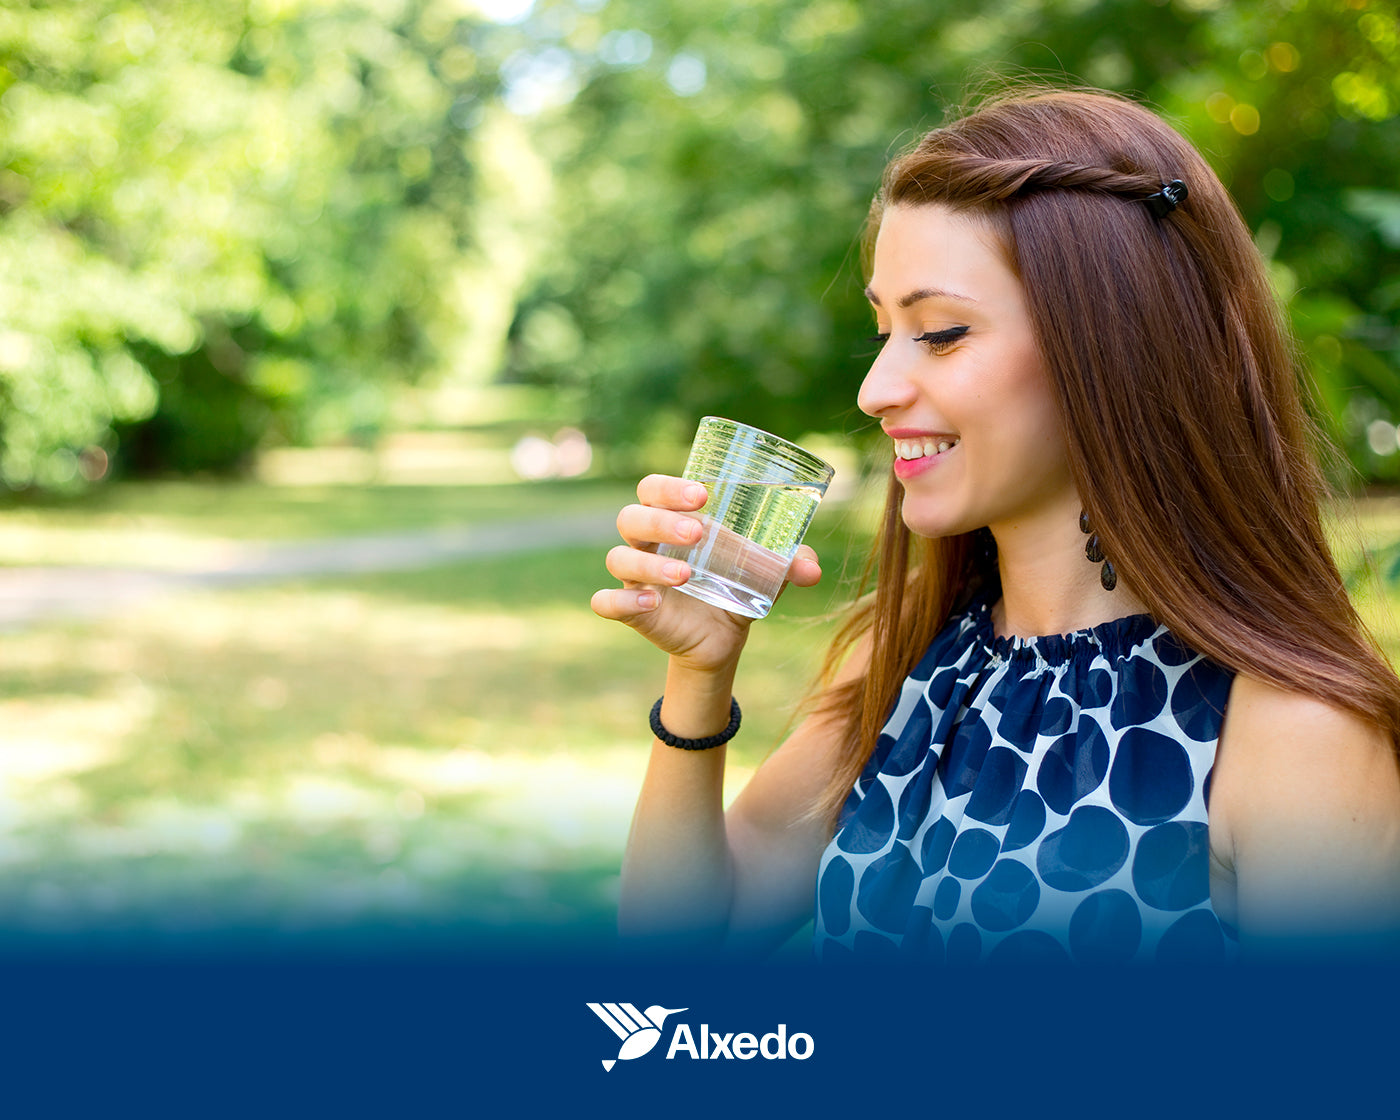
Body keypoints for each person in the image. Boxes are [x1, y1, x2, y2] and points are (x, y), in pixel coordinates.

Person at [590, 87, 1400, 963]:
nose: (876, 391)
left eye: (938, 333)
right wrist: (700, 675)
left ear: (1112, 349)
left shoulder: (1296, 738)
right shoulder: (909, 657)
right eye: (883, 332)